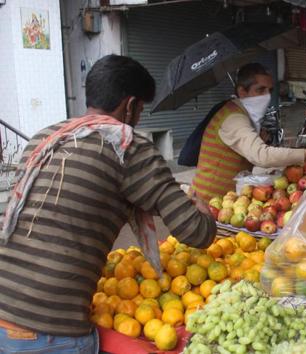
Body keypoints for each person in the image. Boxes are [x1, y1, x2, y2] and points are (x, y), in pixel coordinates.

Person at [0, 55, 216, 353]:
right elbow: (197, 233)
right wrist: (203, 211)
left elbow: (90, 193)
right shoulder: (127, 145)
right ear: (130, 106)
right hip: (50, 330)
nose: (138, 118)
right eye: (140, 110)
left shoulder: (44, 138)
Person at [192, 63, 306, 202]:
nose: (267, 97)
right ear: (242, 92)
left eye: (269, 90)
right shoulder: (234, 119)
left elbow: (249, 153)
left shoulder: (245, 117)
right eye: (260, 90)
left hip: (230, 199)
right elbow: (261, 156)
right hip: (208, 202)